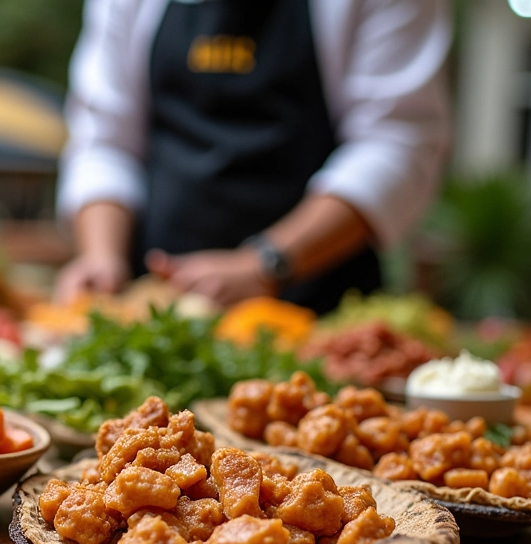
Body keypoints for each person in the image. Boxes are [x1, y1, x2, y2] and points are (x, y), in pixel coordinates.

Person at [54, 0, 452, 314]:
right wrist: (101, 259)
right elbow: (103, 138)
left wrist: (267, 263)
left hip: (314, 311)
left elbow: (396, 142)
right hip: (155, 308)